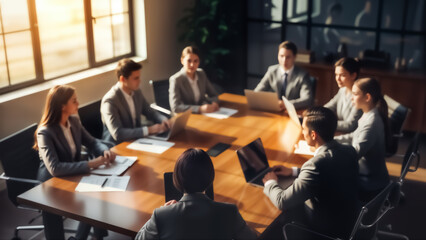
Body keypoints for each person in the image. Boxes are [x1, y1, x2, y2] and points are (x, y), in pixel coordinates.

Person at [34, 85, 116, 240]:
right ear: (62, 106)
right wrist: (91, 164)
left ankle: (94, 235)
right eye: (74, 100)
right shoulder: (45, 132)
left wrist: (104, 150)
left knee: (97, 193)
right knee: (91, 198)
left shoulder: (73, 121)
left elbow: (92, 142)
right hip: (51, 183)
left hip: (72, 175)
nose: (78, 103)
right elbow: (55, 168)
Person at [262, 107, 359, 239]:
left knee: (282, 216)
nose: (302, 132)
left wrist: (270, 182)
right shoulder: (349, 150)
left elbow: (282, 201)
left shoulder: (315, 165)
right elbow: (329, 171)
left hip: (326, 230)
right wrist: (294, 171)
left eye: (303, 128)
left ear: (313, 135)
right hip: (350, 221)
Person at [136, 148, 257, 240]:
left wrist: (161, 213)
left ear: (176, 179)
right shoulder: (230, 212)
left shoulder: (161, 216)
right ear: (211, 177)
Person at [335, 77, 390, 201]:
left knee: (329, 179)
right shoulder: (368, 114)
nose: (351, 98)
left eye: (355, 94)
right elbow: (354, 135)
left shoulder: (372, 123)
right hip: (366, 173)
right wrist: (332, 140)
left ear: (367, 97)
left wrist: (331, 149)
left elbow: (354, 154)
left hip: (369, 181)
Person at [101, 58, 170, 144]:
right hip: (117, 146)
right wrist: (148, 130)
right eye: (135, 78)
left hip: (136, 140)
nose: (139, 81)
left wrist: (162, 119)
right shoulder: (110, 101)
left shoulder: (136, 91)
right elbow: (118, 133)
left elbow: (149, 111)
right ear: (123, 79)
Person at [254, 41, 314, 110]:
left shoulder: (303, 75)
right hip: (275, 110)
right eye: (281, 56)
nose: (284, 60)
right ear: (278, 55)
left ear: (294, 57)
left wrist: (286, 104)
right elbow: (257, 92)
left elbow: (307, 99)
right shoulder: (272, 71)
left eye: (288, 57)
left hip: (293, 111)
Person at [169, 46, 219, 114]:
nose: (192, 64)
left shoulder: (201, 73)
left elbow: (214, 95)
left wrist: (214, 103)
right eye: (189, 61)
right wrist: (199, 109)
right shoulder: (176, 80)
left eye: (196, 61)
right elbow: (175, 107)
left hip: (203, 115)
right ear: (182, 60)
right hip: (185, 117)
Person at [324, 57, 363, 132]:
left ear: (353, 75)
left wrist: (325, 123)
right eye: (336, 74)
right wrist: (315, 114)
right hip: (341, 133)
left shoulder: (359, 96)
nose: (337, 78)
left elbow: (350, 125)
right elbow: (329, 106)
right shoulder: (342, 90)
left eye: (342, 75)